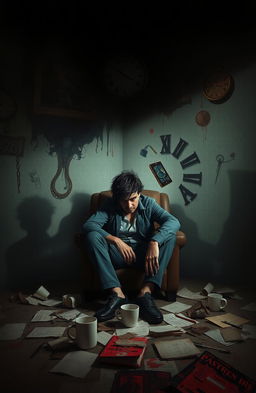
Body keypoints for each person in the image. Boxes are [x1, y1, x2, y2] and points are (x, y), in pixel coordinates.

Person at [82, 171, 180, 324]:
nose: (129, 205)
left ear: (139, 194)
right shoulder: (109, 205)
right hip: (117, 255)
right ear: (117, 199)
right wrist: (115, 240)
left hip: (144, 256)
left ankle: (145, 293)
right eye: (124, 201)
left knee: (170, 237)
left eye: (133, 199)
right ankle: (117, 294)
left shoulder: (149, 204)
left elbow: (173, 222)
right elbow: (89, 225)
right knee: (92, 236)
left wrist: (154, 242)